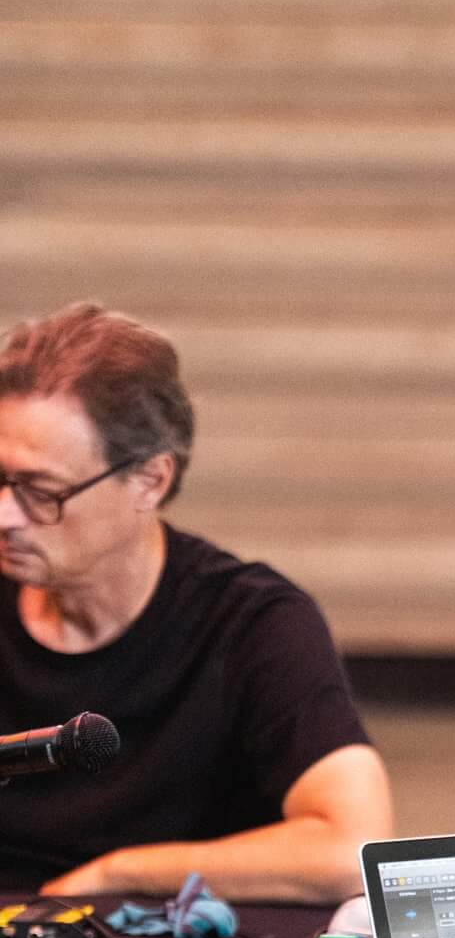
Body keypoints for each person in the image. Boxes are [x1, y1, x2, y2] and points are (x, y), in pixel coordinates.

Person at [0, 304, 391, 903]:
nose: (5, 516)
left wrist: (116, 875)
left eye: (41, 493)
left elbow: (350, 849)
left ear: (150, 480)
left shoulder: (252, 623)